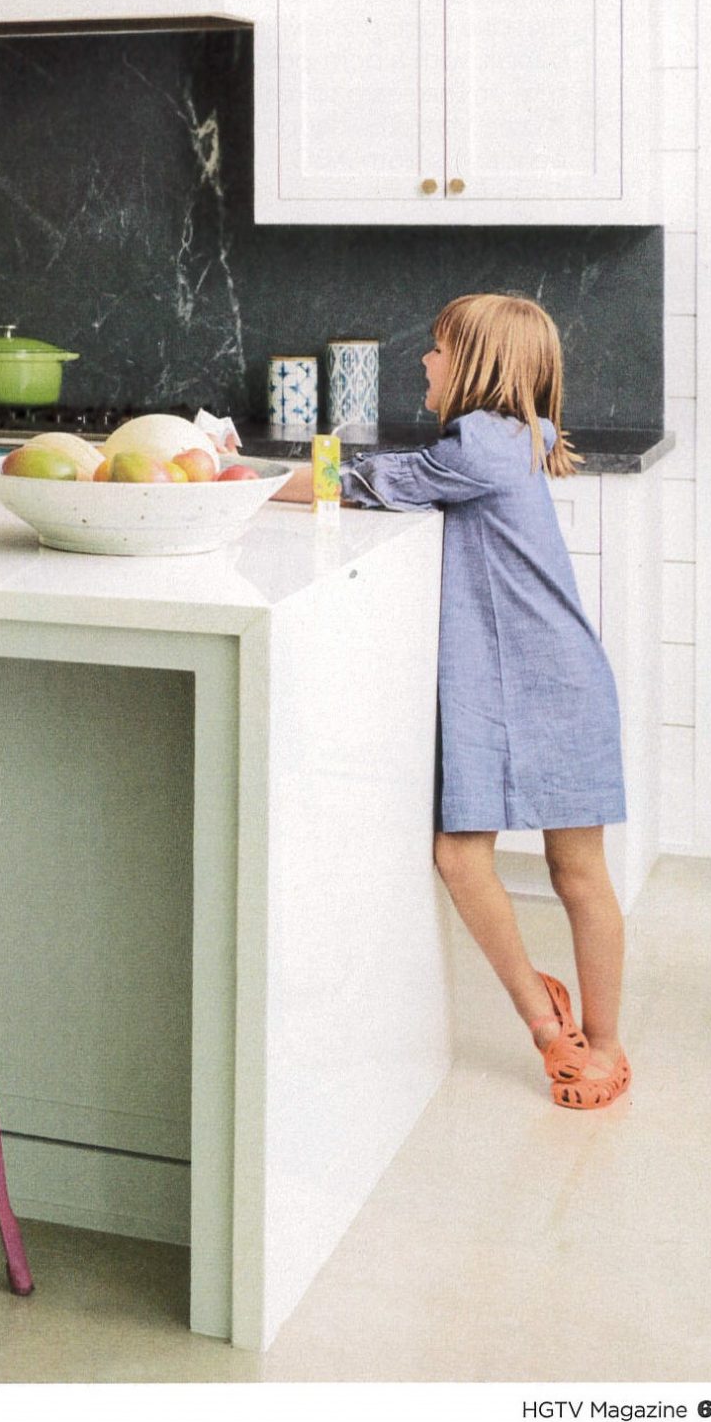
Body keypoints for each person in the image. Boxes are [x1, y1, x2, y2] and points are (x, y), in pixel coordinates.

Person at [271, 293, 630, 1109]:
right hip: (498, 687)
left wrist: (243, 480)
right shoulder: (501, 442)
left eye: (438, 349)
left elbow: (363, 482)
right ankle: (546, 1020)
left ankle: (605, 1044)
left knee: (574, 874)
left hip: (554, 685)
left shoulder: (486, 447)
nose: (425, 361)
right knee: (467, 859)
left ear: (476, 366)